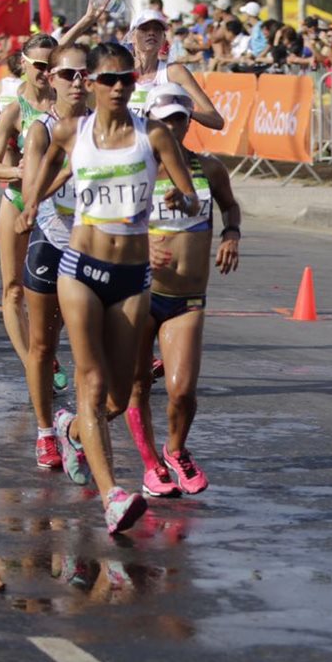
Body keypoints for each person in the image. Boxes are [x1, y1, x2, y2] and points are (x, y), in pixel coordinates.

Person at [29, 43, 202, 534]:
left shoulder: (154, 135)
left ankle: (70, 428)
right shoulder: (72, 131)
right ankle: (112, 497)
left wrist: (180, 198)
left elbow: (192, 198)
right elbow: (45, 169)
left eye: (126, 78)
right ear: (91, 83)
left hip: (132, 278)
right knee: (91, 380)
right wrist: (30, 204)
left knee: (119, 397)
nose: (119, 87)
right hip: (81, 269)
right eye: (109, 79)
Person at [125, 83, 241, 497]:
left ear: (189, 122)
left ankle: (175, 450)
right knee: (135, 386)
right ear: (149, 122)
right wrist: (141, 244)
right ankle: (150, 465)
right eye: (164, 120)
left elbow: (229, 205)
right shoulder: (135, 170)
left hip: (186, 299)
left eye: (180, 119)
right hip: (138, 292)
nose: (173, 127)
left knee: (182, 391)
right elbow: (103, 223)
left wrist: (231, 233)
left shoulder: (208, 168)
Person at [12, 42, 90, 470]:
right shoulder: (41, 130)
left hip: (93, 247)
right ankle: (45, 430)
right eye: (67, 74)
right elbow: (30, 194)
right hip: (52, 241)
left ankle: (77, 425)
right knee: (43, 344)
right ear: (51, 79)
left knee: (89, 348)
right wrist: (70, 167)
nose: (77, 82)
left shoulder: (104, 125)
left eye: (83, 74)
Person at [0, 34, 57, 367]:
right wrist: (19, 171)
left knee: (57, 292)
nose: (45, 71)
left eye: (51, 65)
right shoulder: (14, 111)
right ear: (24, 65)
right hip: (16, 200)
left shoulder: (66, 105)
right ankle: (34, 365)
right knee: (14, 289)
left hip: (57, 207)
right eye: (39, 65)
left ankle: (44, 351)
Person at [124, 9, 225, 129]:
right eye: (144, 29)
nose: (151, 33)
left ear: (163, 38)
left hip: (163, 140)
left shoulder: (175, 72)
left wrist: (183, 111)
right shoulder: (121, 71)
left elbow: (217, 121)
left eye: (157, 29)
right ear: (132, 37)